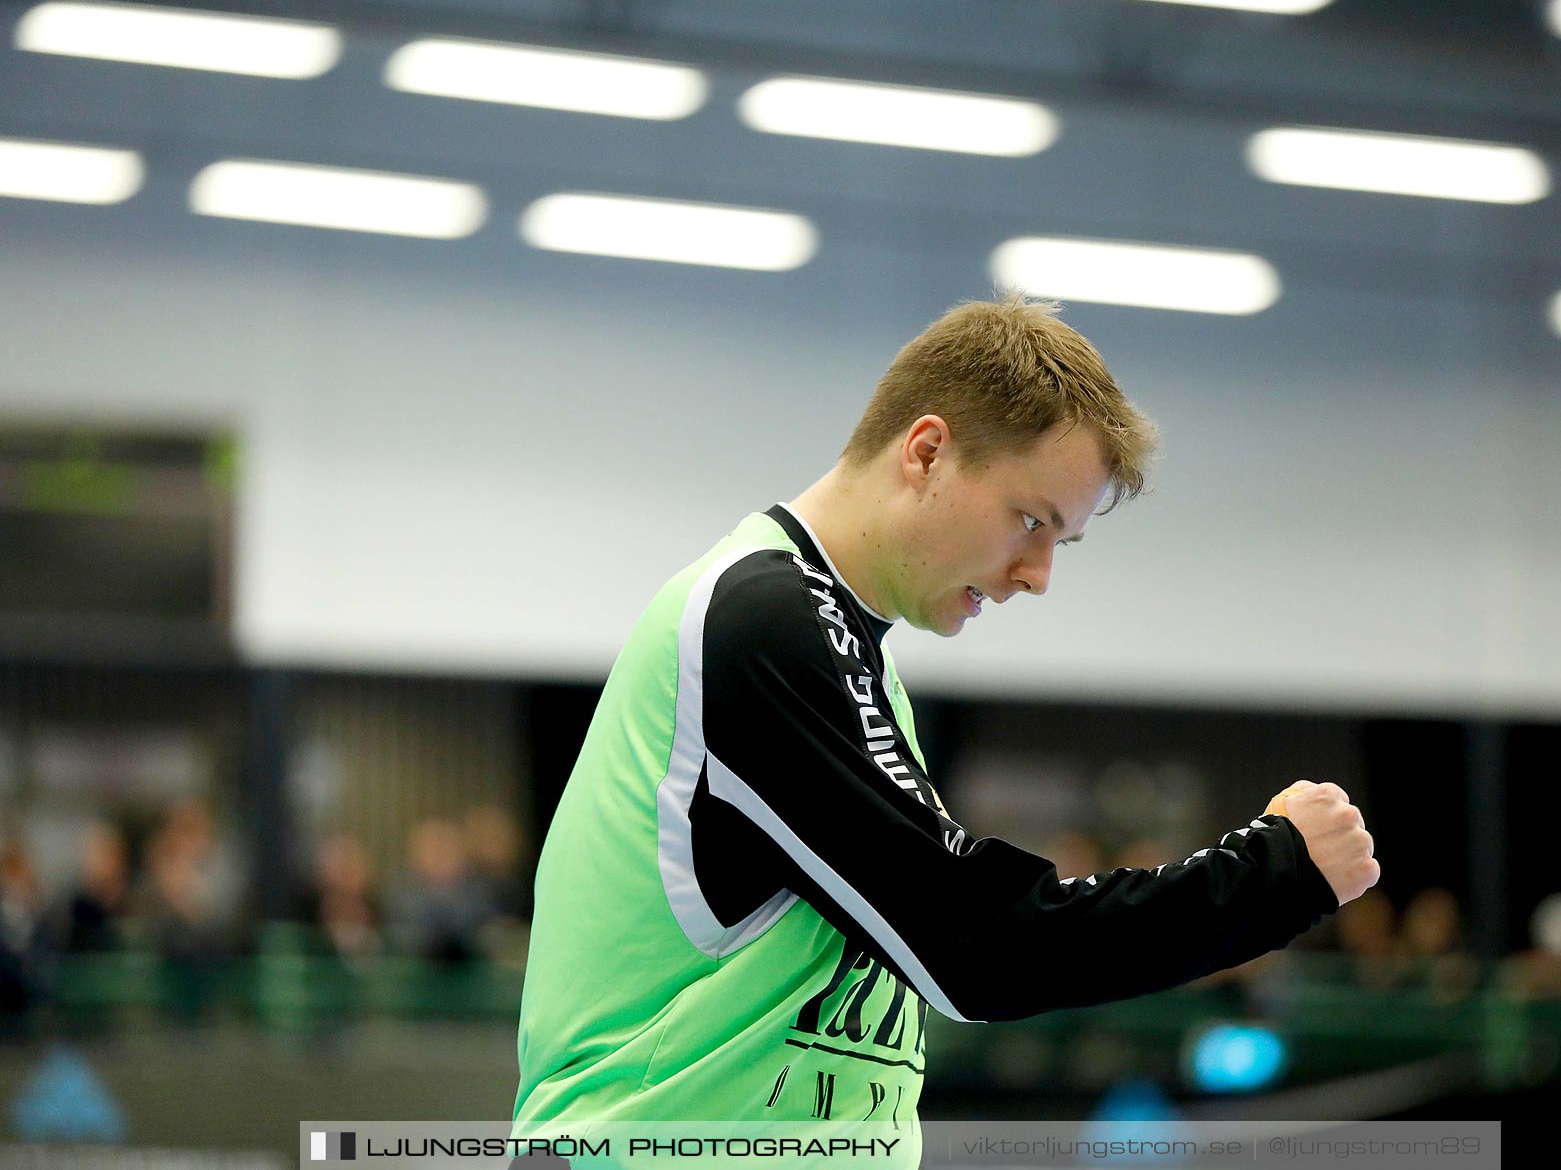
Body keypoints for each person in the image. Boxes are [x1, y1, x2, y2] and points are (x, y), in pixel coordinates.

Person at [513, 294, 1379, 1156]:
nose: (1037, 574)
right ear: (926, 452)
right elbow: (981, 946)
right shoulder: (761, 620)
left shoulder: (847, 649)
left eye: (1060, 542)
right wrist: (1274, 873)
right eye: (1030, 521)